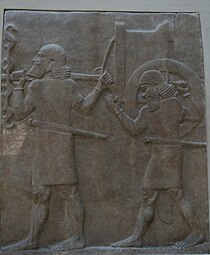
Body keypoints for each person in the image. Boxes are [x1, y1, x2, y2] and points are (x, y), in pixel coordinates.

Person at [2, 44, 109, 252]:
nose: (35, 60)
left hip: (57, 146)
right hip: (48, 147)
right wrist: (98, 88)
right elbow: (86, 107)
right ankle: (33, 240)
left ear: (52, 63)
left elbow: (19, 111)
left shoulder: (40, 87)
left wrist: (17, 86)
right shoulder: (64, 85)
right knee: (47, 193)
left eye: (40, 57)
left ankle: (76, 239)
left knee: (66, 193)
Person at [104, 70, 205, 249]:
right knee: (148, 195)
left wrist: (186, 95)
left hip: (171, 154)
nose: (142, 94)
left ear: (155, 87)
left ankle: (198, 232)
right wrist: (117, 111)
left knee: (176, 193)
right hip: (157, 155)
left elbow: (196, 116)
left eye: (145, 89)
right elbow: (134, 129)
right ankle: (137, 237)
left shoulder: (173, 104)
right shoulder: (147, 111)